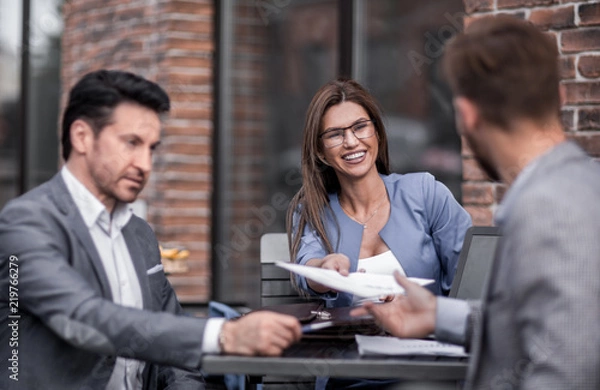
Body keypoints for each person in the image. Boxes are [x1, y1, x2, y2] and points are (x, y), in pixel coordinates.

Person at [0, 69, 301, 390]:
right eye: (131, 143)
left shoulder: (139, 233)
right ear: (82, 137)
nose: (144, 164)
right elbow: (82, 319)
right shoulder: (26, 223)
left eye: (151, 148)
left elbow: (172, 339)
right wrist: (226, 334)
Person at [352, 15, 600, 389]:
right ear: (561, 97)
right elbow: (536, 323)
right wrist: (439, 314)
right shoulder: (573, 185)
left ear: (466, 115)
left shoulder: (551, 208)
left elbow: (570, 368)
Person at [286, 78, 472, 308]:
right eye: (335, 134)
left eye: (360, 127)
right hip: (349, 342)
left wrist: (424, 310)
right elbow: (307, 267)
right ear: (321, 152)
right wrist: (325, 269)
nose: (351, 142)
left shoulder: (425, 192)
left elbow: (468, 278)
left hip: (425, 340)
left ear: (377, 133)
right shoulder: (313, 210)